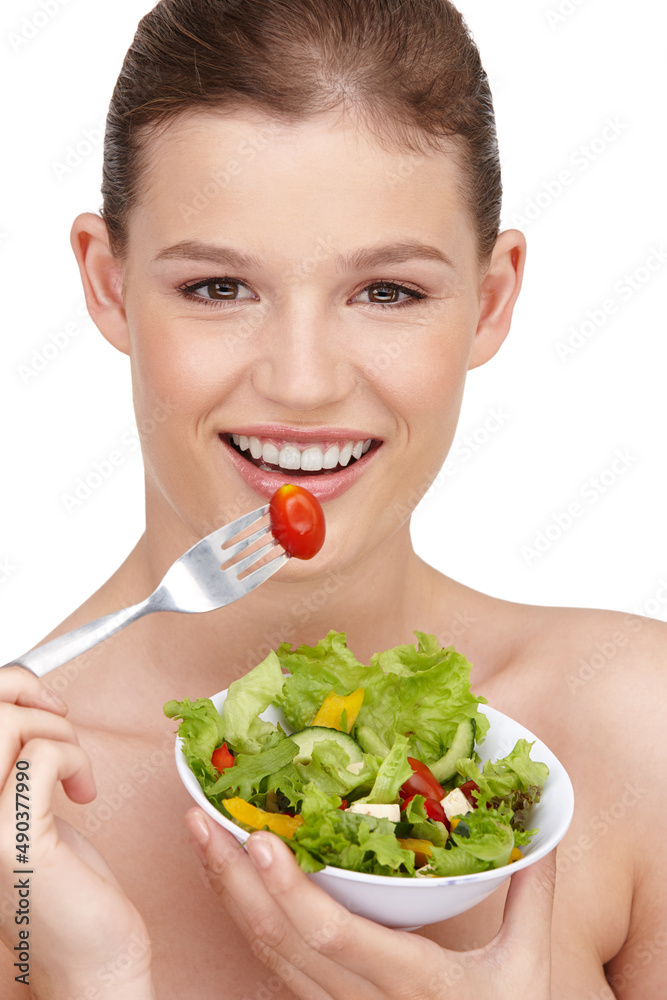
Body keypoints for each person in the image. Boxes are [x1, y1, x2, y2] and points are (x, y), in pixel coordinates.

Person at [1, 1, 665, 997]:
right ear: (107, 283)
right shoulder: (20, 833)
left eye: (387, 291)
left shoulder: (636, 727)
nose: (303, 383)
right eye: (219, 287)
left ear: (490, 300)